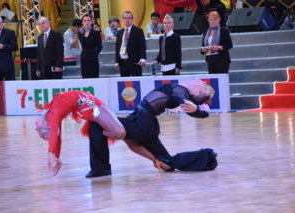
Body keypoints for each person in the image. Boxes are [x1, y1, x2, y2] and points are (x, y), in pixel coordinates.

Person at [87, 79, 218, 178]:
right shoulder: (180, 91)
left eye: (204, 87)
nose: (203, 82)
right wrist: (202, 112)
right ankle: (206, 156)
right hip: (148, 126)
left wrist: (199, 111)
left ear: (195, 91)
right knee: (168, 162)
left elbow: (186, 105)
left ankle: (100, 169)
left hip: (140, 123)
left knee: (96, 124)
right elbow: (188, 105)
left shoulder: (180, 91)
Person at [35, 90, 168, 176]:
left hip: (95, 107)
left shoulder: (51, 113)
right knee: (123, 136)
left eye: (39, 129)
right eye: (41, 130)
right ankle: (156, 160)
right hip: (93, 112)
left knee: (121, 134)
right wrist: (53, 155)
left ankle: (156, 157)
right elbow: (56, 136)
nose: (37, 127)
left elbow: (54, 136)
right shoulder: (52, 117)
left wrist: (50, 155)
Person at [115, 11, 146, 77]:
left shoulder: (138, 30)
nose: (127, 20)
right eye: (125, 18)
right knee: (124, 85)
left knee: (137, 83)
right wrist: (117, 61)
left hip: (135, 62)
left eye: (129, 18)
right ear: (122, 19)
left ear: (132, 19)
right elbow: (117, 48)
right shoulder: (120, 32)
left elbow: (142, 46)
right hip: (123, 62)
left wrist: (143, 58)